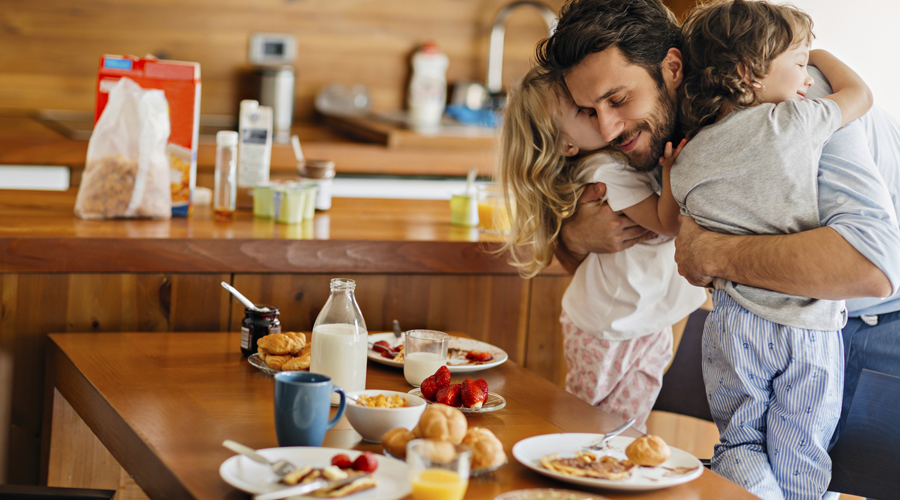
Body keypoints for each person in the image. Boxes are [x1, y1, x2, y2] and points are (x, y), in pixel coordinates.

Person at [536, 0, 900, 497]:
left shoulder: (793, 94)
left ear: (672, 68)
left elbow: (871, 266)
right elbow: (597, 243)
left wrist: (712, 253)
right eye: (586, 110)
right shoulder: (658, 133)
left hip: (878, 323)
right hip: (775, 319)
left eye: (618, 100)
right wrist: (573, 235)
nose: (605, 130)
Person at [663, 2, 877, 498]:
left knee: (739, 440)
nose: (807, 76)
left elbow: (667, 222)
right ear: (748, 71)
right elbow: (860, 95)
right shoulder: (796, 122)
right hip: (807, 322)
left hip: (736, 322)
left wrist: (669, 173)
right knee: (802, 449)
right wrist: (821, 51)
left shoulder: (693, 152)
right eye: (798, 63)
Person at [497, 67, 706, 430]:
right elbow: (667, 222)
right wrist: (674, 171)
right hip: (609, 326)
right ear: (566, 144)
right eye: (585, 112)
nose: (604, 120)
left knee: (618, 427)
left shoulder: (617, 160)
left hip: (638, 318)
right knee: (589, 427)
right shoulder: (605, 171)